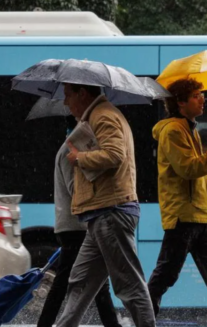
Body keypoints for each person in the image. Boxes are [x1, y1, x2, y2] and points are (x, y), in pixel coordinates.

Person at [147, 78, 207, 327]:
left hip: (201, 217)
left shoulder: (189, 129)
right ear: (180, 102)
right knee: (164, 278)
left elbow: (195, 175)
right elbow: (187, 169)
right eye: (195, 95)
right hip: (182, 218)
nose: (202, 99)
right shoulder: (172, 131)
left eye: (201, 94)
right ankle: (143, 321)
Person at [54, 83, 155, 327]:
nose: (66, 102)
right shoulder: (97, 116)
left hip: (111, 212)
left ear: (83, 93)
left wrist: (80, 158)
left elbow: (114, 154)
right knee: (80, 281)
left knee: (129, 285)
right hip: (101, 213)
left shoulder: (104, 115)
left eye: (68, 95)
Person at [36, 115, 121, 327]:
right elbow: (77, 191)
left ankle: (112, 324)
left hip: (79, 225)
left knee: (98, 282)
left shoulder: (73, 152)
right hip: (76, 226)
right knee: (69, 281)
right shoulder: (68, 154)